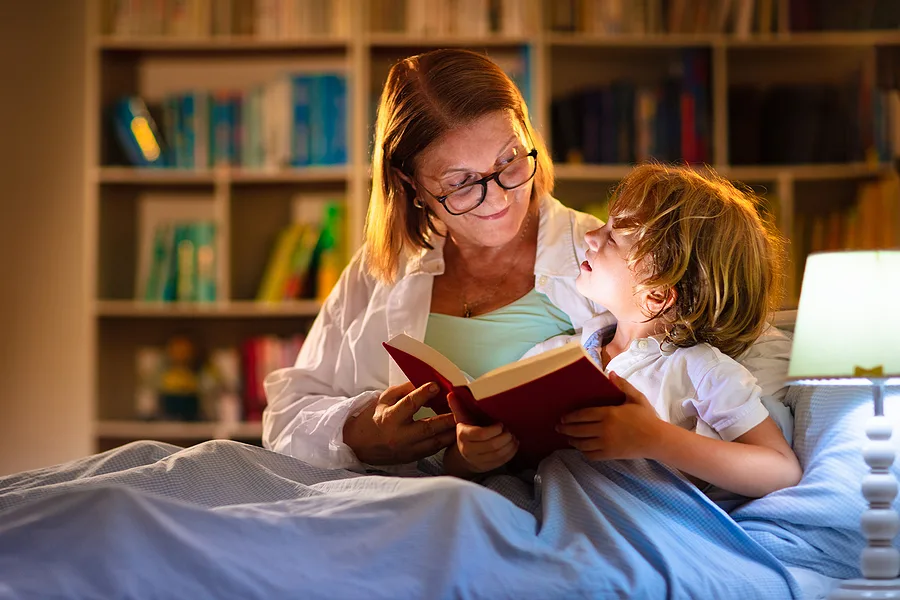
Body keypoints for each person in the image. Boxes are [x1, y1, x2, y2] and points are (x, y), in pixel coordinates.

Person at [262, 49, 793, 477]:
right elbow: (285, 417)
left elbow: (738, 330)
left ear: (528, 136)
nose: (496, 197)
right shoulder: (382, 268)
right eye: (461, 183)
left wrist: (670, 439)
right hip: (387, 500)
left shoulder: (612, 256)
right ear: (412, 187)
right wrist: (356, 433)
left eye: (509, 161)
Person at [547, 164, 800, 499]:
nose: (591, 237)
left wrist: (655, 438)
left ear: (657, 294)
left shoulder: (698, 369)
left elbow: (781, 471)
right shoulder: (568, 349)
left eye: (614, 236)